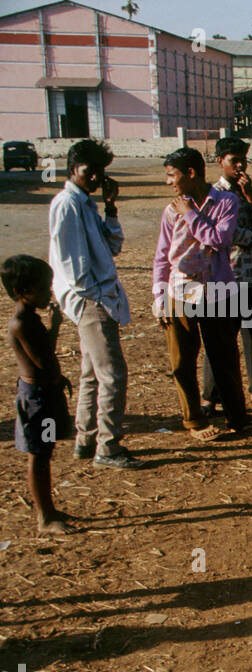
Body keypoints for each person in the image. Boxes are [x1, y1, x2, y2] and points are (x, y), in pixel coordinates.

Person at [47, 138, 141, 469]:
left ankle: (86, 439)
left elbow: (112, 246)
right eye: (90, 171)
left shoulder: (86, 204)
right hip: (90, 299)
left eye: (100, 172)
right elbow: (72, 265)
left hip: (96, 297)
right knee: (113, 373)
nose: (96, 178)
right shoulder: (67, 204)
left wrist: (111, 207)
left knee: (91, 372)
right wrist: (96, 297)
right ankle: (109, 447)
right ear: (74, 169)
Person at [151, 146, 249, 442]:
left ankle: (238, 417)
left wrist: (192, 214)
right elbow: (162, 257)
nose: (170, 182)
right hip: (180, 291)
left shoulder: (226, 202)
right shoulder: (170, 211)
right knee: (182, 361)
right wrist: (159, 299)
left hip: (217, 291)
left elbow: (220, 240)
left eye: (172, 175)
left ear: (191, 173)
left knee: (224, 357)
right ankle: (193, 419)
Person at [201, 136, 252, 411]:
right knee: (222, 337)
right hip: (227, 274)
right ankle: (211, 396)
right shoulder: (213, 196)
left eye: (243, 159)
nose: (241, 165)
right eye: (234, 160)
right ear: (220, 161)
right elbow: (221, 235)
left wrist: (250, 199)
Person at [5, 255, 75, 533]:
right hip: (38, 400)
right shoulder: (22, 323)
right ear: (22, 292)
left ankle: (49, 509)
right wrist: (55, 328)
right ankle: (45, 517)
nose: (49, 292)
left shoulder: (31, 318)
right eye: (44, 288)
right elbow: (43, 361)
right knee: (39, 454)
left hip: (46, 395)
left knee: (46, 451)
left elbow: (45, 356)